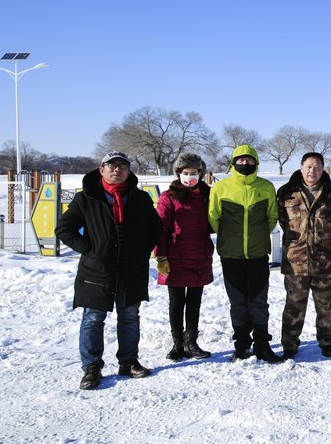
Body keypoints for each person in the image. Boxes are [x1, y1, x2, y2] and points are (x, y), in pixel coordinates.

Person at [56, 151, 161, 390]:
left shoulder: (140, 198)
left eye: (123, 166)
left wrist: (142, 250)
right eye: (111, 166)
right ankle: (92, 367)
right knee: (93, 319)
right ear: (101, 170)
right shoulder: (87, 198)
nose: (117, 170)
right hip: (97, 270)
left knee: (130, 317)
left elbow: (155, 228)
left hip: (131, 269)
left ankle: (128, 361)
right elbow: (64, 229)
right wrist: (89, 250)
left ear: (129, 171)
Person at [208, 145, 282, 363]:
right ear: (233, 162)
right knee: (238, 304)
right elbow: (213, 217)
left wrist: (256, 236)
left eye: (250, 161)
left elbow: (272, 218)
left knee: (259, 303)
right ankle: (241, 345)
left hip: (258, 255)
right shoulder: (221, 188)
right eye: (240, 160)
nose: (245, 164)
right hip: (231, 255)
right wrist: (231, 238)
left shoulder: (266, 186)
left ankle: (262, 344)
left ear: (256, 163)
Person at [277, 151, 331, 359]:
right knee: (294, 306)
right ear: (300, 168)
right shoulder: (286, 192)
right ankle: (290, 344)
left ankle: (326, 341)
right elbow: (282, 222)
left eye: (317, 167)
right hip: (295, 260)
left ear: (323, 169)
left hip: (326, 261)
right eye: (308, 166)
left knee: (326, 306)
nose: (312, 171)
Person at [155, 153, 214, 361]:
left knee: (195, 301)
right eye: (186, 173)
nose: (190, 176)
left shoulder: (208, 195)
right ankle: (177, 344)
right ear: (179, 173)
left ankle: (191, 342)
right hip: (175, 256)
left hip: (199, 255)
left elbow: (214, 220)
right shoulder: (168, 196)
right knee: (176, 302)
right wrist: (160, 255)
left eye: (194, 173)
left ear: (200, 174)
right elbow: (159, 227)